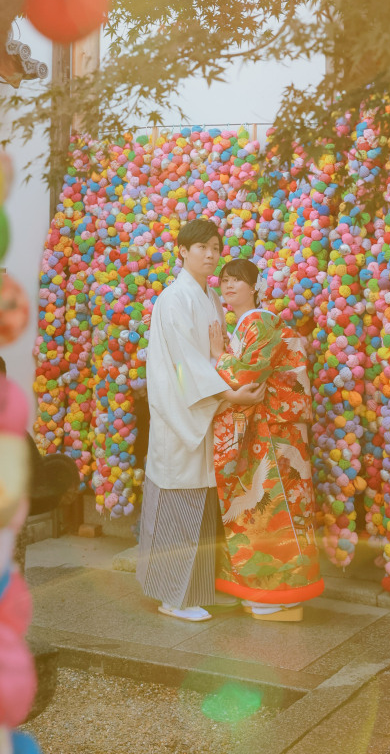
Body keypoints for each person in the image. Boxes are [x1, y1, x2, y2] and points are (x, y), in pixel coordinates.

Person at [136, 220, 265, 622]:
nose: (210, 255)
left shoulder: (208, 295)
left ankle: (200, 588)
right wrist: (229, 394)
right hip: (183, 416)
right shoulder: (174, 299)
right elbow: (183, 365)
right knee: (180, 504)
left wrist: (227, 369)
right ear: (181, 251)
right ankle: (172, 596)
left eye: (215, 247)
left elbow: (211, 355)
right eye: (201, 247)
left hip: (204, 412)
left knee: (204, 506)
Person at [212, 259, 324, 621]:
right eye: (225, 281)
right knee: (265, 509)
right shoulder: (248, 323)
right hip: (271, 428)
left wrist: (217, 355)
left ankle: (279, 595)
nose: (229, 287)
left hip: (274, 432)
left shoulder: (259, 321)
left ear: (254, 286)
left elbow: (247, 374)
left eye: (238, 281)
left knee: (273, 509)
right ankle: (267, 592)